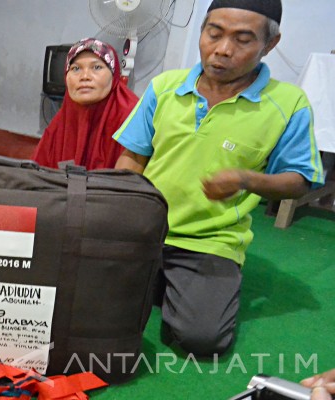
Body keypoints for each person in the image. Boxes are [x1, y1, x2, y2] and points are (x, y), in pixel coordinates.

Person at [113, 0, 324, 356]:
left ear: (269, 44)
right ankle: (164, 280)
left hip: (211, 240)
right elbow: (132, 158)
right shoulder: (166, 86)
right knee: (78, 294)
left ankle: (175, 283)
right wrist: (117, 218)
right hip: (145, 228)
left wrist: (247, 179)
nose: (223, 50)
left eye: (243, 39)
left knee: (201, 341)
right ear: (202, 32)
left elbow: (301, 179)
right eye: (214, 33)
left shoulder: (288, 103)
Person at [31, 37, 139, 170]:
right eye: (76, 69)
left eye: (97, 67)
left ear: (114, 74)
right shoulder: (60, 123)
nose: (85, 76)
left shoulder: (132, 118)